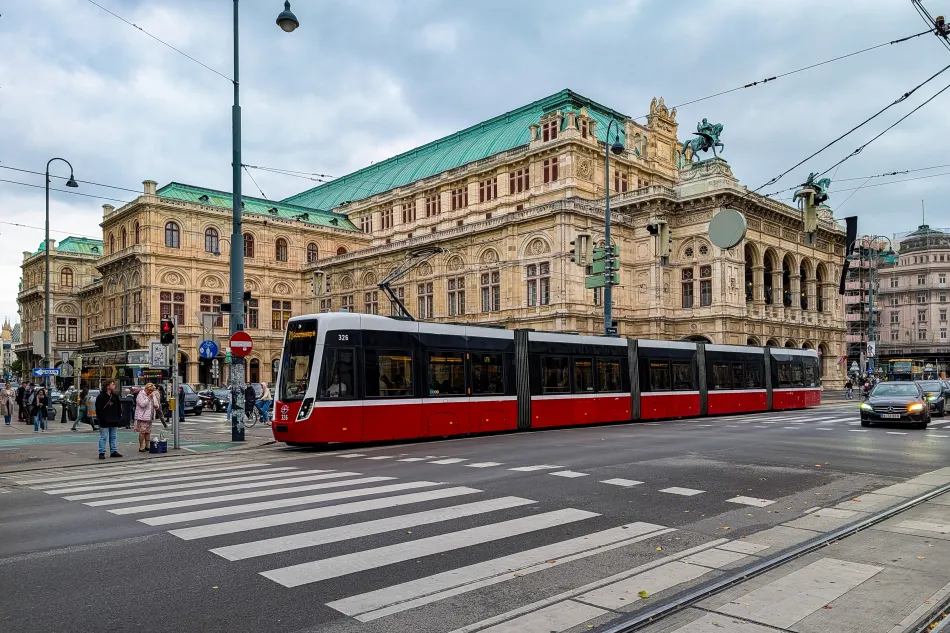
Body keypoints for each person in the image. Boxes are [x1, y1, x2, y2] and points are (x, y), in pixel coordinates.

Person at [95, 381, 123, 459]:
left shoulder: (115, 396)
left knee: (113, 436)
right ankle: (101, 452)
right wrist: (101, 418)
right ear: (107, 386)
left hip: (114, 420)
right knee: (103, 437)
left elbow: (119, 407)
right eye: (112, 384)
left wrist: (118, 417)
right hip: (104, 420)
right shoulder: (101, 396)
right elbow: (98, 409)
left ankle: (113, 451)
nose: (114, 385)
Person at [134, 383, 160, 453]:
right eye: (149, 390)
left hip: (150, 416)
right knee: (142, 431)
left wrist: (156, 406)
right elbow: (142, 404)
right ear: (146, 389)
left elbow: (156, 403)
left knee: (148, 431)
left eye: (152, 391)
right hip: (142, 416)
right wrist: (148, 398)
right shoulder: (140, 395)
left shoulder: (152, 394)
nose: (150, 392)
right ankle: (141, 446)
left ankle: (147, 446)